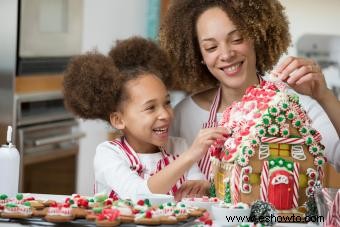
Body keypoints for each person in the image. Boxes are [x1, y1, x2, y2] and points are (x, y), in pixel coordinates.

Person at [159, 0, 340, 176]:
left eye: (237, 39)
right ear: (199, 56)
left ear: (257, 37)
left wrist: (325, 96)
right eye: (211, 47)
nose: (227, 54)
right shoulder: (184, 114)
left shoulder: (296, 107)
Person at [63, 36, 228, 200]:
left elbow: (197, 188)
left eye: (167, 103)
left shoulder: (179, 147)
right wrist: (191, 155)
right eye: (150, 108)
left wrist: (205, 187)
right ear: (119, 120)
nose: (165, 114)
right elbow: (138, 195)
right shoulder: (108, 154)